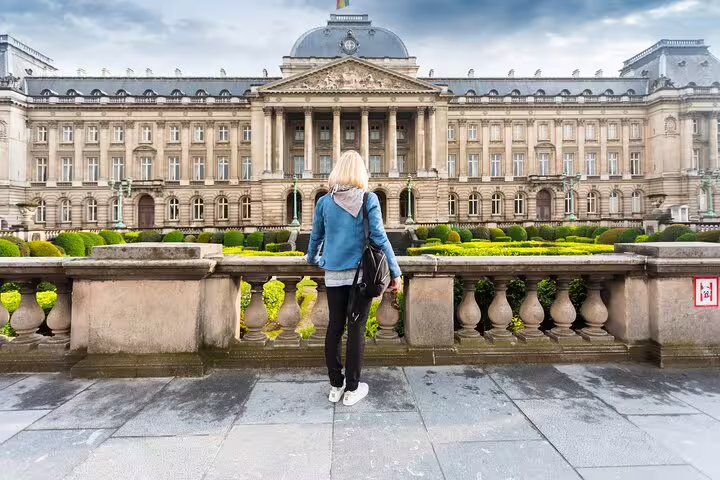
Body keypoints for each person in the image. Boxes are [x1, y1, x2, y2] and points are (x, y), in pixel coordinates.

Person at [307, 150, 402, 406]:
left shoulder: (324, 202)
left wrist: (313, 259)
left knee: (335, 328)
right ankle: (352, 388)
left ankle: (335, 385)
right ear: (361, 172)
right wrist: (395, 272)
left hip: (334, 275)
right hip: (362, 277)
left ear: (337, 171)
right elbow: (380, 238)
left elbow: (315, 238)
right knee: (356, 329)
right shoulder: (368, 199)